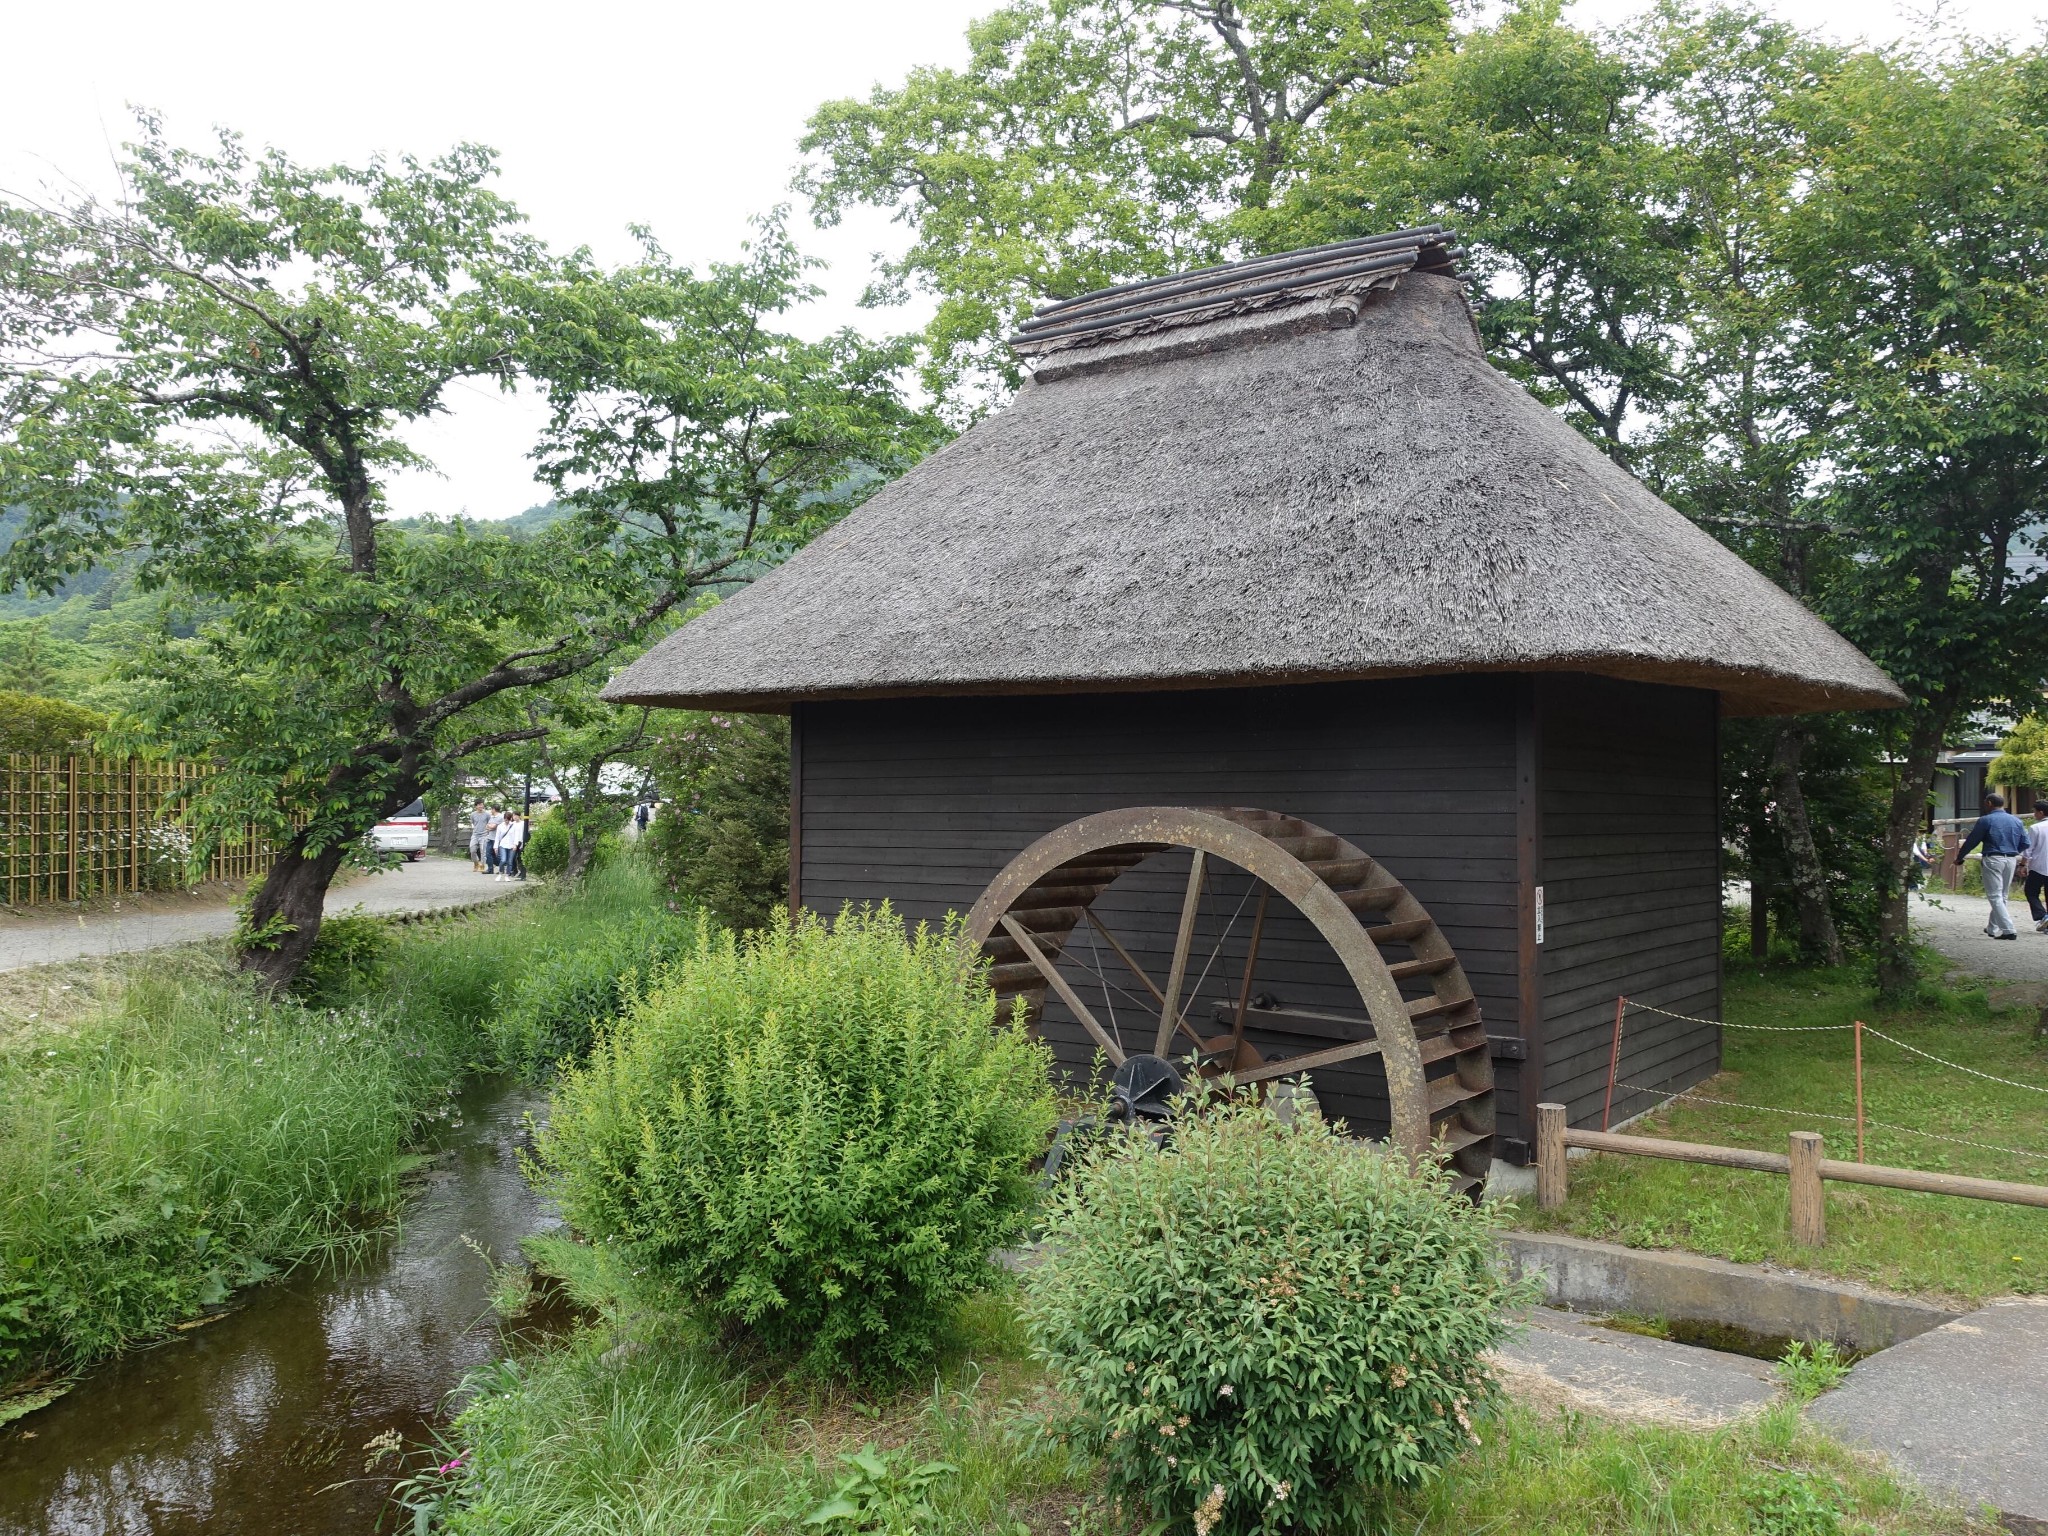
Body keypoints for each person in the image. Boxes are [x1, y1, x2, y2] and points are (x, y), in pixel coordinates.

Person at [1957, 792, 2029, 940]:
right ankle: (1992, 927)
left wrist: (1959, 857)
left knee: (1995, 895)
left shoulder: (1986, 820)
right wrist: (2014, 851)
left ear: (1989, 803)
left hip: (1993, 858)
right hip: (2011, 858)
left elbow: (1972, 841)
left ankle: (2009, 929)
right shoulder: (2016, 821)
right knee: (2002, 895)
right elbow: (2026, 843)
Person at [2025, 803, 2048, 933]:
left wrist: (2023, 865)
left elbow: (2028, 850)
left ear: (2041, 812)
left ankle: (2042, 915)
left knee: (2031, 892)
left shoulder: (2035, 828)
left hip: (2038, 866)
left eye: (2035, 812)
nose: (2034, 814)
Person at [495, 807, 527, 881]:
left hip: (520, 842)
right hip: (511, 843)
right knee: (511, 859)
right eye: (514, 815)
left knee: (520, 858)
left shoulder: (523, 823)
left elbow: (523, 834)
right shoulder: (512, 824)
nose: (515, 817)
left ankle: (522, 874)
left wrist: (521, 843)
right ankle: (513, 871)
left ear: (519, 816)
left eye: (516, 815)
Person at [467, 800, 491, 874]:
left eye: (482, 805)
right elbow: (473, 823)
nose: (481, 806)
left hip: (484, 835)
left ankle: (482, 866)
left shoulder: (487, 814)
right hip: (475, 834)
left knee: (483, 851)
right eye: (479, 805)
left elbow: (489, 823)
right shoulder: (473, 814)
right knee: (472, 850)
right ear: (476, 806)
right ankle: (476, 863)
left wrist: (487, 831)